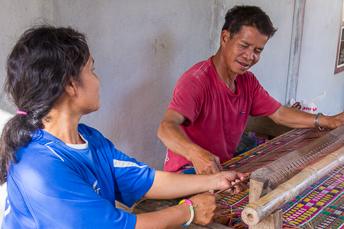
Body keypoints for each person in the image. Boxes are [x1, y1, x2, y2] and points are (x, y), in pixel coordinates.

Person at [0, 26, 248, 229]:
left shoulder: (89, 140)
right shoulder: (39, 166)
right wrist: (188, 212)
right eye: (92, 70)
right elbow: (117, 226)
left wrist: (215, 181)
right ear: (70, 85)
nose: (98, 80)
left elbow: (146, 180)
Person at [157, 5, 344, 175]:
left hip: (224, 166)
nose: (249, 56)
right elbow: (165, 128)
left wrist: (325, 120)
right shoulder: (196, 81)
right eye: (244, 46)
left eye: (258, 50)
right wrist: (196, 154)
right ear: (225, 38)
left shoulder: (247, 82)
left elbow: (279, 113)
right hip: (189, 171)